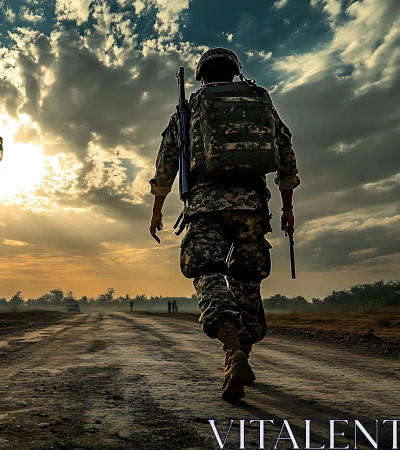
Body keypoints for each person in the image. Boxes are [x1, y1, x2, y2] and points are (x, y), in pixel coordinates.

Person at [148, 48, 300, 402]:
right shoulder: (260, 101)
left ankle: (232, 349)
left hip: (205, 206)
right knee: (247, 280)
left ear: (201, 75)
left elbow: (167, 159)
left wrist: (157, 210)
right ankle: (242, 355)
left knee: (208, 272)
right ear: (234, 73)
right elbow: (286, 152)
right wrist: (288, 208)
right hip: (252, 206)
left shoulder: (190, 108)